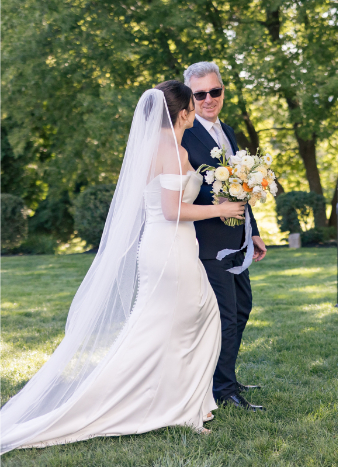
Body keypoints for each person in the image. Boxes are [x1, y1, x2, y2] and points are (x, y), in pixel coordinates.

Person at [0, 82, 247, 453]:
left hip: (165, 249)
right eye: (193, 105)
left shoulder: (152, 148)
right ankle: (164, 404)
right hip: (170, 251)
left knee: (185, 321)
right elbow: (170, 210)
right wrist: (221, 209)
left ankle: (184, 404)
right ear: (183, 113)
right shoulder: (175, 151)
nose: (198, 109)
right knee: (185, 322)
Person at [181, 62, 267, 411]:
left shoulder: (227, 131)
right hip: (206, 241)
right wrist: (217, 205)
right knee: (224, 317)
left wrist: (255, 231)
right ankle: (223, 390)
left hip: (238, 238)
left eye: (214, 91)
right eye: (199, 94)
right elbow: (183, 190)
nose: (208, 99)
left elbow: (242, 188)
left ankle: (225, 375)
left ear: (222, 91)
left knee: (242, 308)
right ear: (190, 97)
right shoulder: (183, 135)